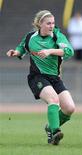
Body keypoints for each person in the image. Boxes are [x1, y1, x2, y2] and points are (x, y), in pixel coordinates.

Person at [6, 10, 75, 145]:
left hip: (55, 78)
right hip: (37, 77)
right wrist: (15, 52)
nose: (52, 26)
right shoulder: (30, 37)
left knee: (69, 108)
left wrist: (50, 51)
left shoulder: (57, 36)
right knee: (53, 99)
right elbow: (22, 48)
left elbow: (69, 51)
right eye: (48, 23)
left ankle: (49, 128)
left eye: (53, 23)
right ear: (39, 24)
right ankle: (55, 132)